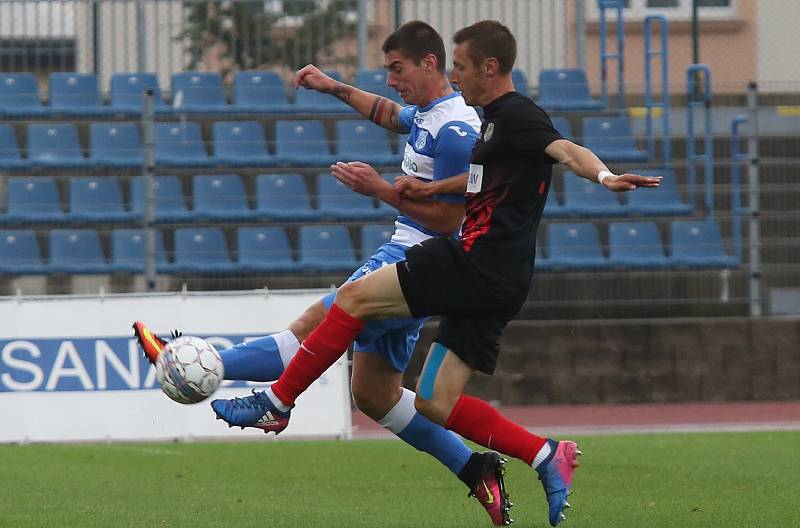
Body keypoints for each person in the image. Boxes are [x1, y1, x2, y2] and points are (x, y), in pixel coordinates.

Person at [209, 20, 662, 527]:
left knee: (352, 300)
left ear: (489, 68)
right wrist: (424, 184)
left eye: (462, 68)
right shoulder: (489, 119)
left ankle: (277, 400)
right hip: (504, 282)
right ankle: (545, 455)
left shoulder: (514, 115)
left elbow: (563, 151)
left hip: (472, 261)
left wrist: (603, 176)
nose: (456, 76)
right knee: (433, 403)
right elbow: (484, 177)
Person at [135, 20, 515, 527]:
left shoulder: (455, 132)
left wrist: (381, 190)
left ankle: (200, 364)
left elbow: (455, 221)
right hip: (414, 264)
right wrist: (333, 86)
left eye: (397, 69)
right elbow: (389, 114)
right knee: (374, 393)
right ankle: (475, 468)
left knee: (314, 325)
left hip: (415, 263)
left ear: (430, 64)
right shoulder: (431, 113)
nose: (390, 81)